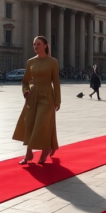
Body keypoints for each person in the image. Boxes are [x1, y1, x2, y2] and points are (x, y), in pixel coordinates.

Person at [14, 36, 62, 164]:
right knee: (29, 124)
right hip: (32, 96)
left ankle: (45, 149)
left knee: (41, 125)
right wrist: (26, 92)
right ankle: (28, 154)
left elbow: (56, 82)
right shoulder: (30, 61)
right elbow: (25, 81)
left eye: (38, 44)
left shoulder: (53, 62)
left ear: (46, 45)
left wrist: (58, 100)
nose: (36, 47)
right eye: (34, 44)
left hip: (47, 97)